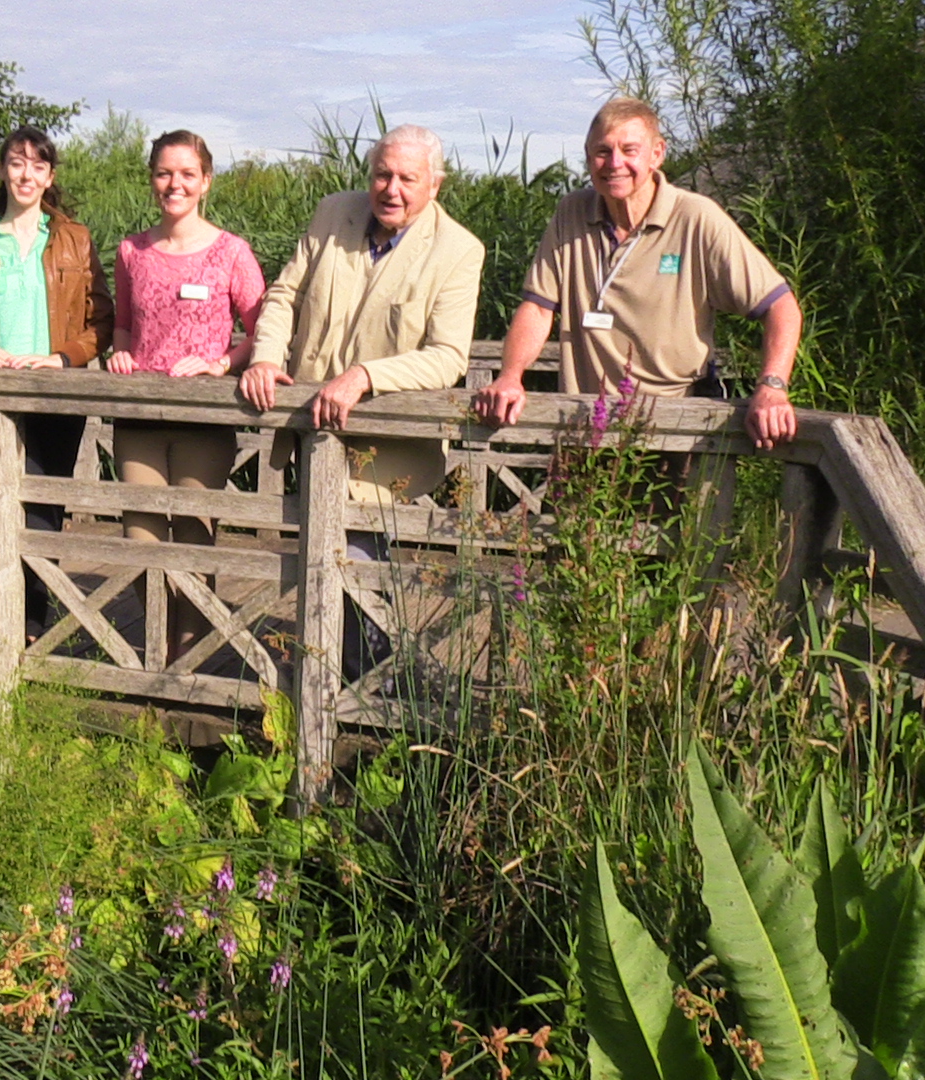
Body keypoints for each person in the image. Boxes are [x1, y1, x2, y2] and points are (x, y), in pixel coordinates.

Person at [240, 124, 485, 684]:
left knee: (364, 565)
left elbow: (448, 356)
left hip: (387, 454)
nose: (391, 188)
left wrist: (365, 377)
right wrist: (264, 357)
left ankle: (367, 691)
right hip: (312, 432)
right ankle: (330, 681)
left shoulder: (459, 250)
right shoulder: (332, 214)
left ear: (435, 185)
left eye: (407, 178)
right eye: (382, 174)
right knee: (318, 560)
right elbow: (284, 295)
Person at [471, 97, 801, 453]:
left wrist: (771, 387)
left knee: (681, 512)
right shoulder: (572, 212)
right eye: (602, 152)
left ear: (657, 154)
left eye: (629, 150)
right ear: (587, 156)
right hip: (584, 426)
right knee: (575, 512)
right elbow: (537, 308)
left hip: (678, 428)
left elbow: (781, 306)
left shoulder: (695, 218)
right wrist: (510, 376)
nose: (615, 164)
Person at [0, 126, 115, 639]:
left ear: (50, 176)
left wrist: (63, 358)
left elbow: (101, 322)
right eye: (17, 163)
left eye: (38, 165)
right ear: (3, 170)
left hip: (57, 391)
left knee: (43, 507)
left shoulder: (75, 241)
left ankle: (31, 622)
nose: (26, 175)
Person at [108, 129, 265, 660]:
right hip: (139, 416)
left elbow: (264, 332)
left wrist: (222, 363)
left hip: (205, 417)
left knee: (195, 542)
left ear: (206, 182)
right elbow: (124, 326)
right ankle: (157, 652)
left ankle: (192, 664)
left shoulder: (231, 253)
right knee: (141, 542)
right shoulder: (131, 251)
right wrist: (121, 353)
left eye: (186, 174)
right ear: (152, 179)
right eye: (164, 173)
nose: (174, 184)